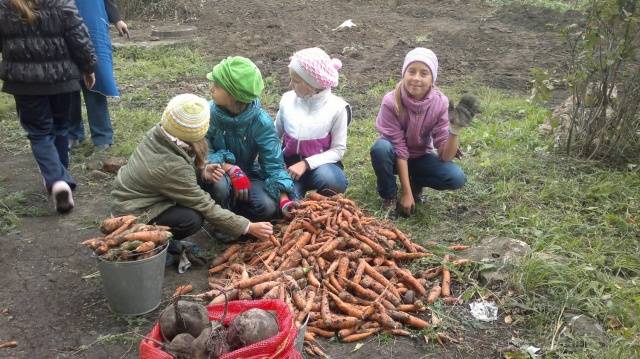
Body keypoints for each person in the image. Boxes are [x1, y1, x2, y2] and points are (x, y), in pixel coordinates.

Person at [111, 94, 273, 256]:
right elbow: (205, 205)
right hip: (133, 213)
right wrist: (247, 227)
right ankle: (154, 244)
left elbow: (183, 163)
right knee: (192, 219)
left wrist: (201, 169)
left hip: (139, 196)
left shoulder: (160, 132)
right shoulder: (171, 167)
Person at [0, 0, 97, 213]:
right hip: (63, 79)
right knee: (61, 127)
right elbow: (78, 37)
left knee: (39, 134)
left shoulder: (6, 5)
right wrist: (89, 67)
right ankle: (62, 178)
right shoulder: (61, 2)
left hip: (25, 83)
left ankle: (57, 180)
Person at [370, 47, 471, 217]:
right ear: (404, 73)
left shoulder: (440, 103)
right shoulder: (390, 101)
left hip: (420, 156)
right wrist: (406, 193)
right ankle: (389, 195)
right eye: (412, 71)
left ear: (432, 79)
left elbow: (445, 156)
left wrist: (455, 130)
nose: (416, 78)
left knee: (456, 177)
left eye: (424, 73)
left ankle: (415, 181)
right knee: (380, 148)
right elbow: (400, 149)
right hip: (394, 156)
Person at [202, 56, 296, 222]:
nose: (211, 89)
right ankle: (220, 221)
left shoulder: (261, 122)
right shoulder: (206, 114)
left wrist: (284, 199)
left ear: (233, 95)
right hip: (212, 172)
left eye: (217, 85)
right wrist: (229, 168)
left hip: (248, 173)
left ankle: (235, 212)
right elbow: (201, 154)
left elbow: (273, 163)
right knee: (220, 185)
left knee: (268, 207)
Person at [275, 47, 350, 199]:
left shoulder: (338, 108)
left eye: (296, 81)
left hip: (322, 166)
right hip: (289, 167)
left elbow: (338, 150)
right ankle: (300, 198)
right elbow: (273, 135)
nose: (290, 85)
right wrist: (276, 162)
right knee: (286, 203)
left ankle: (318, 200)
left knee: (333, 182)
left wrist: (306, 164)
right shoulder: (287, 100)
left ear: (312, 83)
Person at [68, 0, 129, 151]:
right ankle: (72, 134)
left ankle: (102, 136)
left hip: (92, 24)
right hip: (63, 21)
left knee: (95, 80)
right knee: (68, 83)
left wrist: (116, 19)